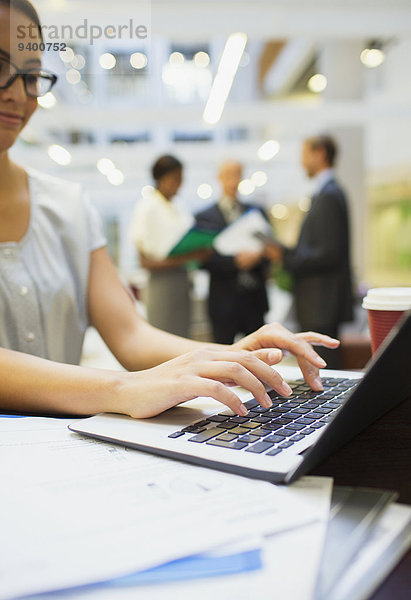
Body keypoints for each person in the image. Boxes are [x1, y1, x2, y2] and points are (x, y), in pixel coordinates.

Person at [0, 0, 339, 420]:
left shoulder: (68, 206)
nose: (17, 92)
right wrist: (123, 389)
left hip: (61, 455)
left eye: (31, 75)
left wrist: (230, 355)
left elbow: (130, 334)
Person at [266, 135, 353, 369]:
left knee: (326, 368)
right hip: (319, 302)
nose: (301, 163)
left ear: (320, 154)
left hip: (321, 303)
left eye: (304, 155)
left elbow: (327, 253)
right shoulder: (325, 193)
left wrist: (285, 256)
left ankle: (337, 408)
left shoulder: (329, 195)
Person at [130, 155, 206, 338]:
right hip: (161, 284)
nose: (178, 184)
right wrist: (184, 258)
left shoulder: (179, 207)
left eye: (181, 179)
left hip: (183, 281)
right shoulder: (147, 207)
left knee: (183, 336)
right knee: (163, 337)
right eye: (174, 179)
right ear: (160, 178)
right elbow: (145, 262)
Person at [195, 160, 270, 344]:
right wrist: (234, 261)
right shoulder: (204, 217)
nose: (233, 180)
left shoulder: (257, 212)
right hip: (223, 301)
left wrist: (257, 257)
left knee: (258, 355)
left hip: (254, 300)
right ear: (219, 177)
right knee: (223, 359)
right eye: (229, 174)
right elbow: (202, 260)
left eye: (237, 174)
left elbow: (271, 250)